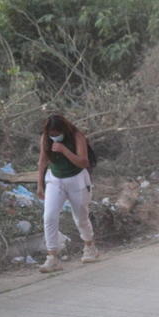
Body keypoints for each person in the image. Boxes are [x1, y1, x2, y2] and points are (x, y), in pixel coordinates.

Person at [36, 113, 100, 272]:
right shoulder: (45, 138)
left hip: (77, 179)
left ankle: (89, 246)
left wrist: (64, 150)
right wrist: (40, 184)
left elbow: (83, 162)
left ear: (64, 130)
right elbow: (42, 161)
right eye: (51, 134)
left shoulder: (77, 136)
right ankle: (52, 257)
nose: (54, 136)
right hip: (55, 180)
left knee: (81, 217)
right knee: (49, 216)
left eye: (57, 133)